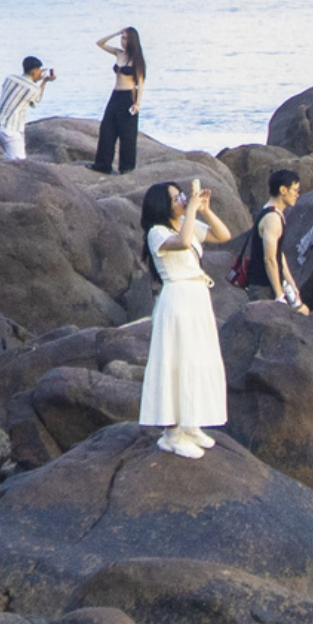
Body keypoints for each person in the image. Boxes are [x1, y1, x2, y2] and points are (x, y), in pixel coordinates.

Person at [136, 178, 231, 456]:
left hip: (197, 297)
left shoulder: (184, 223)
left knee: (197, 359)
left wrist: (204, 209)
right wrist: (190, 210)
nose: (181, 201)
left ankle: (190, 423)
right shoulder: (157, 232)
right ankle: (173, 432)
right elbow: (184, 241)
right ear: (162, 205)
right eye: (176, 198)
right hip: (177, 299)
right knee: (177, 360)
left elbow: (223, 235)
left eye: (181, 197)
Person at [240, 167, 303, 306]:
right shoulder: (272, 218)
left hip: (269, 285)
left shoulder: (275, 213)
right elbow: (269, 259)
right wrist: (279, 295)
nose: (297, 195)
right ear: (283, 190)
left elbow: (279, 254)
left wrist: (291, 283)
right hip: (263, 287)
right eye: (295, 190)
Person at [93, 28, 146, 175]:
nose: (123, 42)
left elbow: (140, 82)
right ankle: (103, 164)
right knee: (107, 129)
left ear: (133, 41)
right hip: (115, 95)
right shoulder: (119, 53)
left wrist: (137, 103)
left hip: (128, 96)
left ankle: (126, 167)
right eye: (122, 38)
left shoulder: (137, 59)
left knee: (127, 134)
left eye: (126, 39)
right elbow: (100, 43)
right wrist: (116, 33)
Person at [0, 56, 55, 159]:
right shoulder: (33, 89)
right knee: (19, 165)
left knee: (8, 160)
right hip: (10, 131)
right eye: (39, 71)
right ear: (34, 71)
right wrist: (44, 82)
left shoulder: (10, 78)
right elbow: (35, 102)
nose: (40, 73)